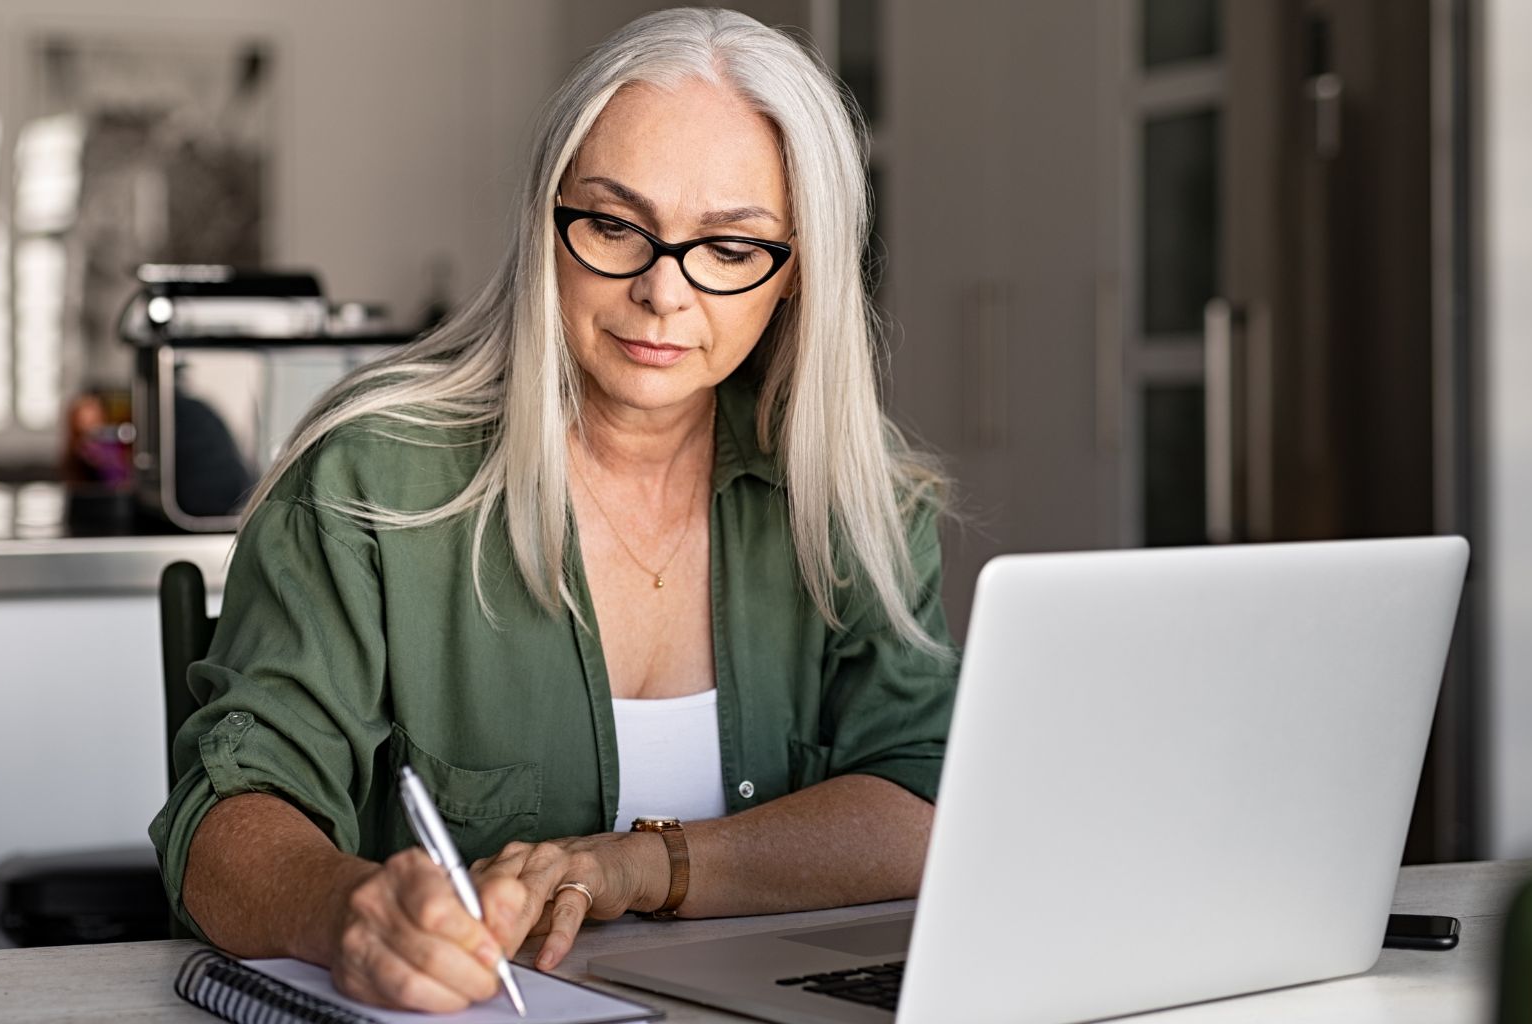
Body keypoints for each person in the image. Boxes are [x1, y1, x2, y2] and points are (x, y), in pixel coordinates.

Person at [150, 7, 958, 1013]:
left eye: (729, 246)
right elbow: (224, 821)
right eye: (615, 226)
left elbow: (923, 803)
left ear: (796, 274)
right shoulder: (367, 476)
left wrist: (635, 865)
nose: (663, 293)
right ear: (546, 222)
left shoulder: (855, 495)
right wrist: (344, 908)